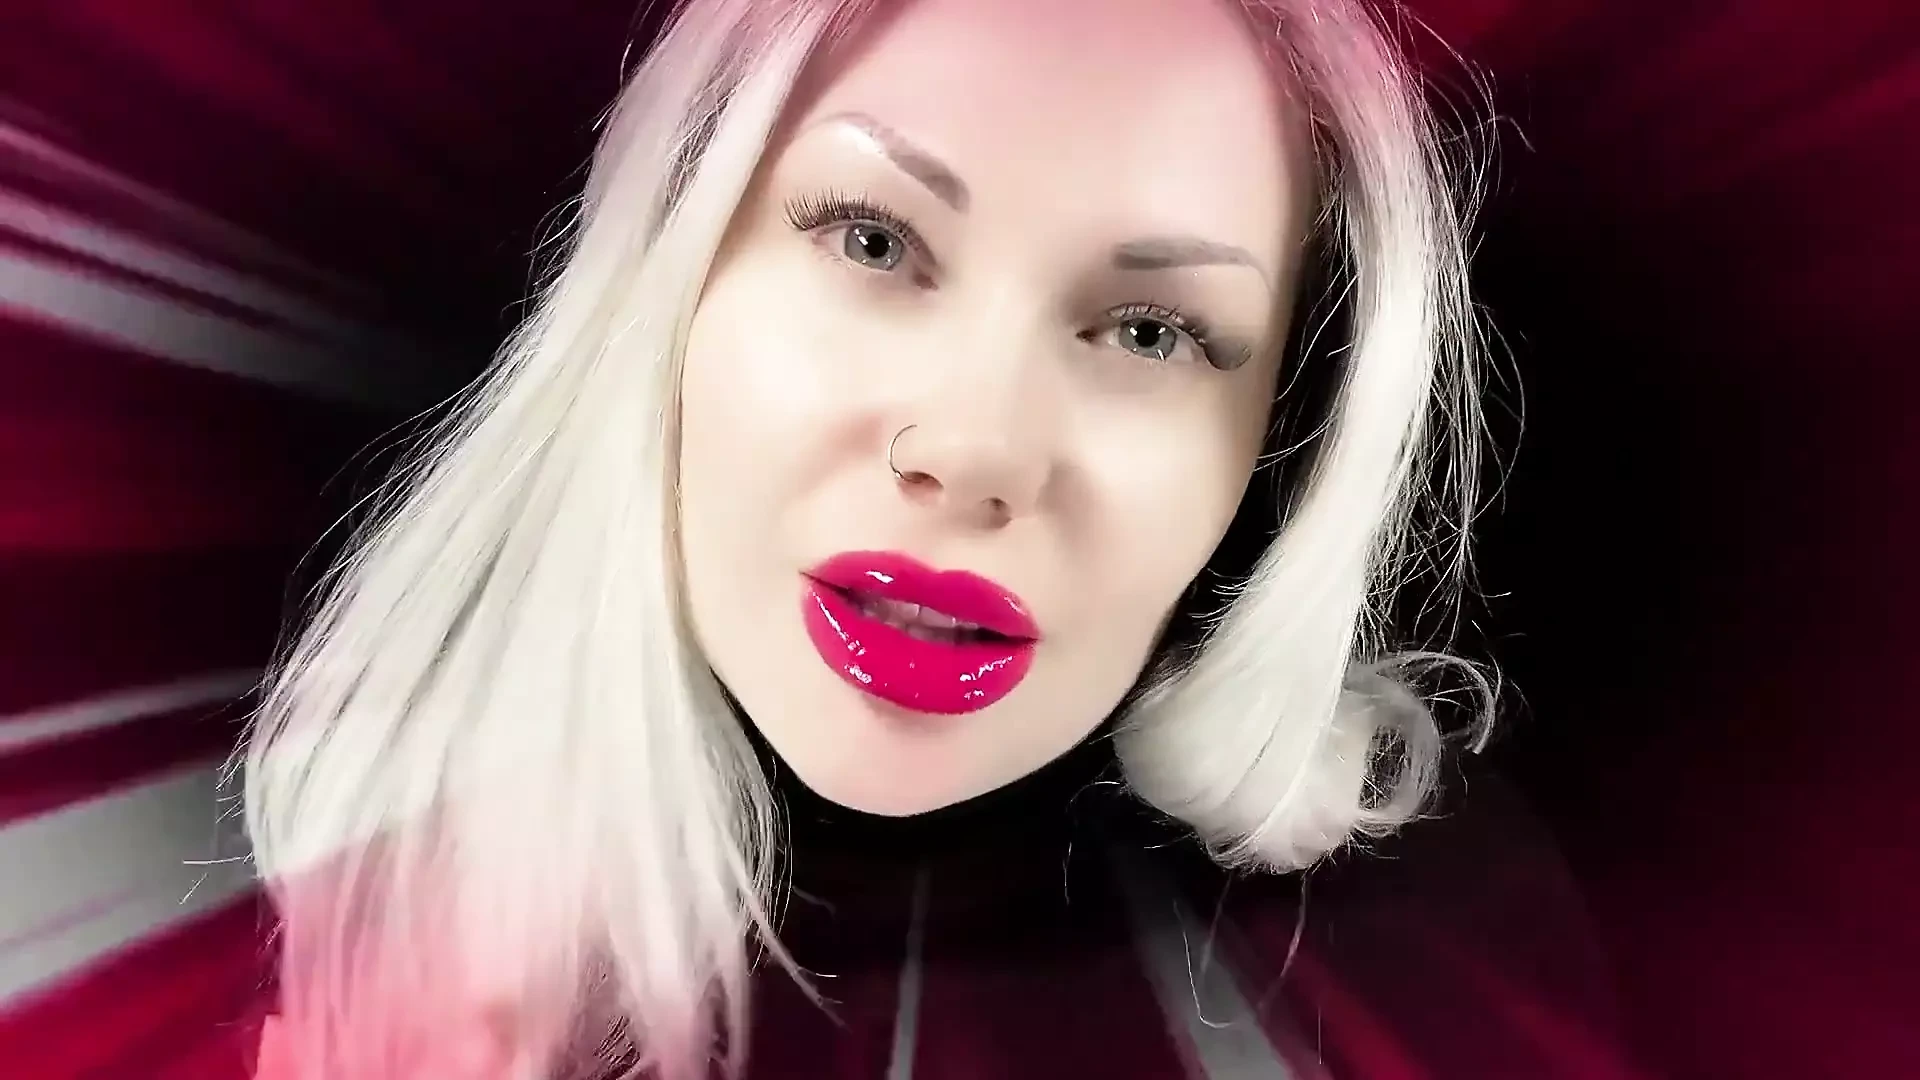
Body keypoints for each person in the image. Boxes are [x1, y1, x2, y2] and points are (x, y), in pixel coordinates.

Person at [243, 0, 1634, 1076]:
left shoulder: (1432, 976)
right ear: (673, 264)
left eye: (1151, 332)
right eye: (872, 240)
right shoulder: (372, 908)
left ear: (1283, 439)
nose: (972, 448)